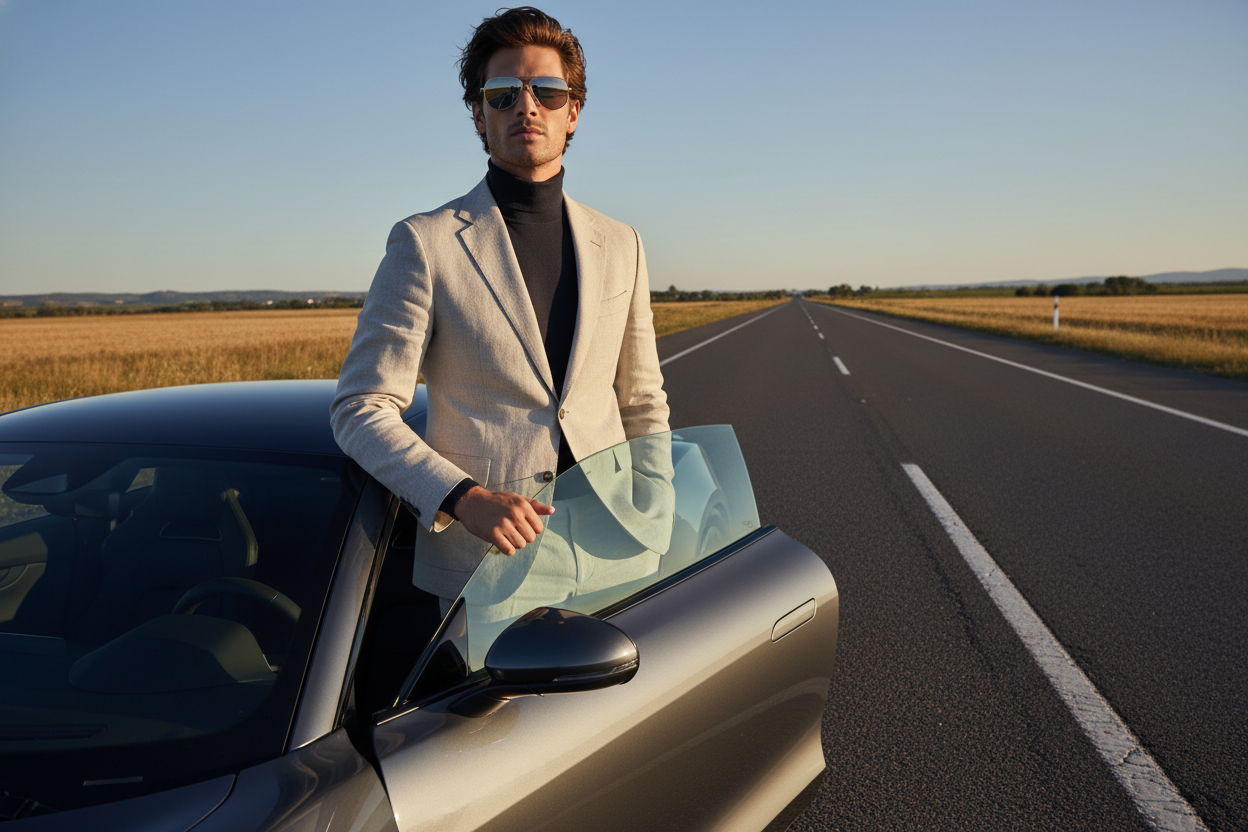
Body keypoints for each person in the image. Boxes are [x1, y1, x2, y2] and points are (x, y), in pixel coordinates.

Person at [330, 7, 669, 606]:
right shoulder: (424, 243)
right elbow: (361, 408)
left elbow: (641, 399)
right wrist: (463, 497)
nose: (527, 106)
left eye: (548, 91)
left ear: (574, 112)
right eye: (504, 93)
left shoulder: (623, 243)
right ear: (480, 115)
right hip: (487, 568)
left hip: (619, 549)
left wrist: (656, 508)